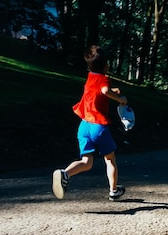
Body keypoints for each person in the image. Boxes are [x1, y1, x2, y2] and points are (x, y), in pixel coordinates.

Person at [52, 45, 128, 201]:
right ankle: (114, 191)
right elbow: (105, 91)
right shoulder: (104, 78)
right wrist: (120, 99)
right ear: (106, 65)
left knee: (86, 162)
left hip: (84, 125)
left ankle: (65, 174)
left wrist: (114, 91)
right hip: (98, 127)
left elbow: (98, 90)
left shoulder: (91, 77)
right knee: (110, 159)